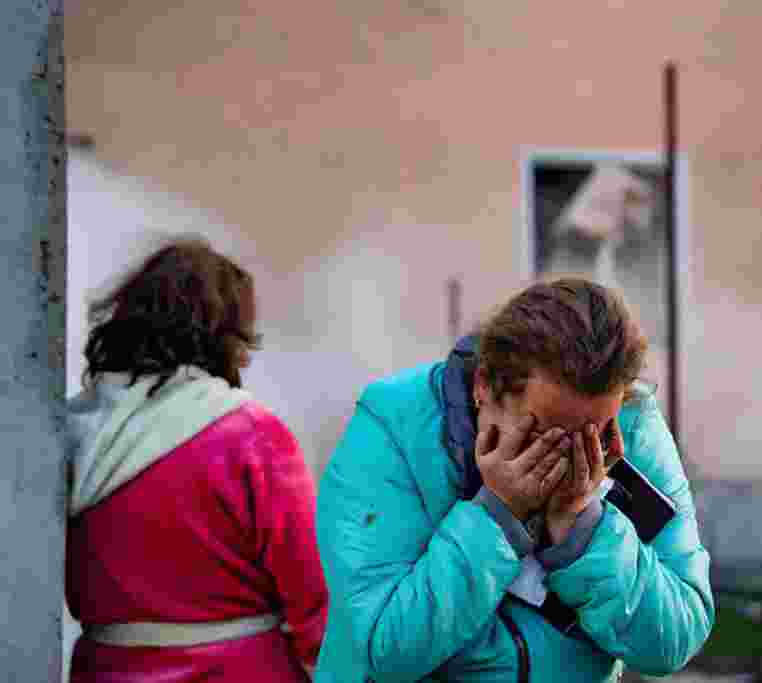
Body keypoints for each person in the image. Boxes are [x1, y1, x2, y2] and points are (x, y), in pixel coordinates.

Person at [314, 278, 713, 682]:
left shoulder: (630, 423)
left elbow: (675, 640)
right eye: (546, 434)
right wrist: (497, 518)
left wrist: (586, 532)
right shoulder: (394, 425)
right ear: (485, 385)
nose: (570, 458)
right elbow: (383, 653)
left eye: (591, 434)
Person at [65, 238, 327, 682]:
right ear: (227, 335)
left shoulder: (68, 431)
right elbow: (311, 591)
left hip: (106, 670)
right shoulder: (251, 434)